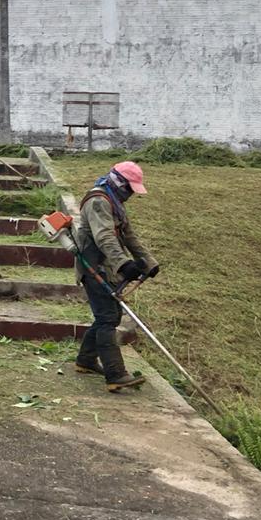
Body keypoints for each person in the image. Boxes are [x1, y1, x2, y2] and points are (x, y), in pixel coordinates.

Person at [73, 161, 161, 392]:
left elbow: (129, 236)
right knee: (107, 319)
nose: (131, 194)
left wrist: (149, 263)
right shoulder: (98, 202)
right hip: (93, 267)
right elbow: (103, 237)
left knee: (108, 315)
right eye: (130, 189)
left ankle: (85, 360)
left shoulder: (115, 203)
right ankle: (115, 374)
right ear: (119, 183)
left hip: (107, 267)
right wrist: (124, 264)